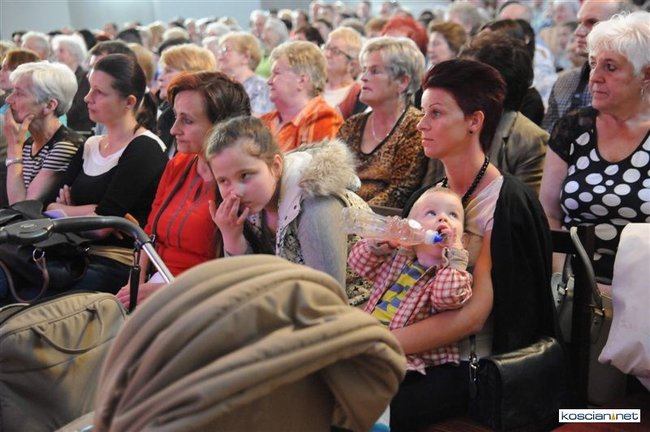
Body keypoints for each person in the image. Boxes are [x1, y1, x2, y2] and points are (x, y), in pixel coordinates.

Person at [391, 59, 554, 430]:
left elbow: (474, 317)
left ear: (474, 121)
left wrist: (378, 341)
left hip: (473, 366)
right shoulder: (426, 198)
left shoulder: (507, 202)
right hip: (415, 349)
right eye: (422, 112)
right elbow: (397, 279)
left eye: (435, 113)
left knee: (357, 402)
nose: (421, 124)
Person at [114, 71, 252, 307]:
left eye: (187, 121)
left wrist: (166, 290)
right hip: (156, 283)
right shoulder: (179, 164)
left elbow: (236, 270)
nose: (173, 129)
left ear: (222, 128)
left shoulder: (240, 181)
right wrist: (133, 285)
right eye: (175, 116)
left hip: (201, 298)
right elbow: (149, 234)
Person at [540, 10, 650, 283]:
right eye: (593, 64)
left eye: (610, 67)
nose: (595, 77)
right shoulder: (574, 128)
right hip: (572, 283)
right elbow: (549, 213)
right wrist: (561, 277)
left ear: (646, 75)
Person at [207, 115, 369, 300]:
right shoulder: (255, 204)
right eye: (223, 181)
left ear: (276, 167)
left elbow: (328, 298)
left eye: (245, 175)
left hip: (364, 306)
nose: (236, 192)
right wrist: (232, 237)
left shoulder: (315, 204)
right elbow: (247, 290)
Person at [44, 54, 168, 294]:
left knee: (43, 301)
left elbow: (101, 226)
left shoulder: (145, 147)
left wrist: (71, 212)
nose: (87, 97)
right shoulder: (91, 144)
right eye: (90, 88)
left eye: (99, 92)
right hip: (75, 253)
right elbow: (48, 207)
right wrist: (93, 211)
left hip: (116, 260)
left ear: (129, 102)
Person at [349, 187, 472, 374]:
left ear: (464, 240)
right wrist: (380, 243)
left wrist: (455, 252)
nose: (443, 219)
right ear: (411, 228)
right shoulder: (397, 258)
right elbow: (358, 263)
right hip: (368, 341)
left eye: (453, 215)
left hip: (411, 361)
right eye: (431, 213)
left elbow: (447, 297)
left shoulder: (452, 275)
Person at [336, 36, 427, 209]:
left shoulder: (415, 127)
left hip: (380, 219)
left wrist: (354, 214)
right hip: (340, 212)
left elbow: (399, 193)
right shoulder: (351, 125)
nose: (363, 77)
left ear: (403, 82)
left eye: (375, 71)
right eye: (364, 70)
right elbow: (332, 178)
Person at [461, 32, 548, 195]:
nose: (458, 85)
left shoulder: (531, 141)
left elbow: (523, 205)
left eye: (470, 78)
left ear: (498, 87)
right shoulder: (452, 123)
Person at [542, 0, 636, 132]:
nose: (578, 32)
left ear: (624, 29)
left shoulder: (638, 85)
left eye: (592, 23)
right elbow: (548, 137)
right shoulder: (564, 82)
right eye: (579, 23)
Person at [3, 61, 82, 205]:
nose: (9, 100)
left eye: (19, 93)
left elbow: (23, 207)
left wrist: (14, 149)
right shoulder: (30, 144)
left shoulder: (65, 146)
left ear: (49, 105)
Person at [261, 40, 343, 152]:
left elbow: (318, 163)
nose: (269, 81)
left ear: (301, 80)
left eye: (277, 73)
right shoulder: (265, 121)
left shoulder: (323, 119)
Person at [157, 44, 217, 156]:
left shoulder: (209, 116)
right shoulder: (167, 116)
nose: (160, 78)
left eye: (168, 71)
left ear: (190, 74)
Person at [217, 31, 274, 117]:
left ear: (246, 56)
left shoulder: (260, 86)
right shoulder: (222, 85)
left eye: (226, 50)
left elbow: (255, 120)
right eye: (220, 50)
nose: (219, 56)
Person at [51, 34, 94, 134]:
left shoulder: (86, 78)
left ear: (75, 54)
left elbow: (79, 108)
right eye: (55, 51)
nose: (56, 55)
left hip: (79, 130)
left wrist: (53, 117)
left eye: (61, 51)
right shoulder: (56, 78)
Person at [322, 26, 365, 120]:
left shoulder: (358, 95)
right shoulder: (313, 87)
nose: (327, 54)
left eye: (336, 51)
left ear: (352, 64)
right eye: (326, 48)